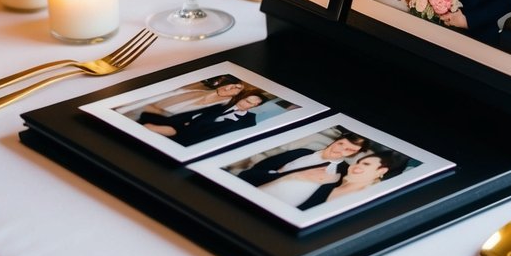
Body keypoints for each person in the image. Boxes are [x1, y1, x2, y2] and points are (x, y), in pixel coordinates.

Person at [239, 132, 366, 195]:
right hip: (254, 188)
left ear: (354, 154)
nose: (340, 150)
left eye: (350, 150)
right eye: (341, 144)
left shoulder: (344, 172)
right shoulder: (302, 152)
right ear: (335, 141)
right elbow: (259, 168)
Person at [137, 91, 266, 144]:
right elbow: (197, 113)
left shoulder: (248, 121)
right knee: (147, 119)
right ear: (241, 98)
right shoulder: (223, 105)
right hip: (183, 125)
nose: (250, 106)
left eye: (255, 105)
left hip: (191, 137)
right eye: (249, 102)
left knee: (149, 127)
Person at [297, 150, 410, 211]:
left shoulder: (367, 201)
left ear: (381, 171)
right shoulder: (328, 181)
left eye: (366, 164)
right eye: (357, 162)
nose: (355, 166)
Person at [127, 74, 245, 124]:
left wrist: (158, 112)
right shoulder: (201, 88)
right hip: (136, 108)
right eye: (232, 83)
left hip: (151, 121)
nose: (229, 87)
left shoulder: (218, 109)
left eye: (236, 88)